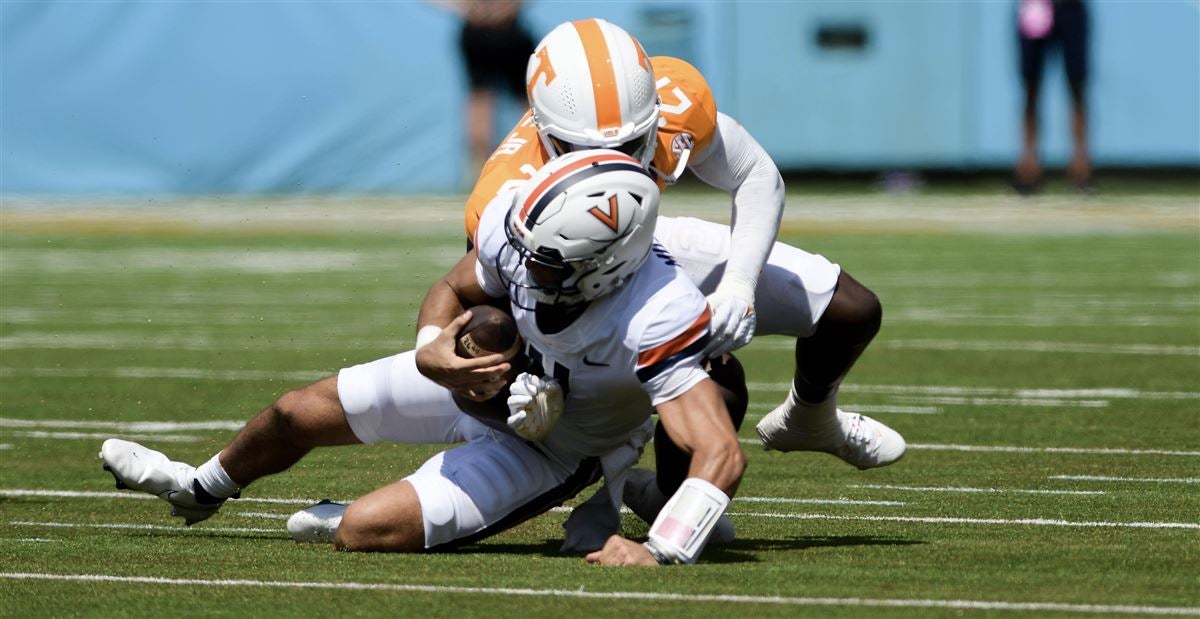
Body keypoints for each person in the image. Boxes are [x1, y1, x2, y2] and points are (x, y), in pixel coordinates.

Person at [100, 150, 746, 566]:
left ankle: (348, 511)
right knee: (296, 413)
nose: (527, 267)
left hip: (556, 445)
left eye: (548, 262)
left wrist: (662, 550)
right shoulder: (521, 233)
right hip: (473, 386)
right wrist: (433, 349)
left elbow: (720, 450)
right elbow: (454, 286)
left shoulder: (658, 312)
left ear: (608, 265)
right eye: (526, 250)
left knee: (364, 530)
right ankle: (197, 489)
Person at [463, 18, 906, 519]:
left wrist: (738, 286)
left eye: (632, 145)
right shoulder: (505, 199)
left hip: (647, 244)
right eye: (592, 151)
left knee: (851, 309)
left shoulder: (673, 100)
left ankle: (811, 418)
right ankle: (664, 498)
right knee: (719, 382)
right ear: (546, 135)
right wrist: (533, 385)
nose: (615, 165)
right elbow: (487, 315)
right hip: (578, 296)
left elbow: (754, 172)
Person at [431, 0, 536, 180]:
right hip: (497, 31)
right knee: (484, 103)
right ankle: (482, 173)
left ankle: (483, 173)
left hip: (502, 31)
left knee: (523, 102)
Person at [1013, 0, 1092, 194]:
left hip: (1070, 7)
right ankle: (1029, 166)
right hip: (1033, 7)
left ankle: (1081, 168)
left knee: (1077, 88)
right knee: (1031, 90)